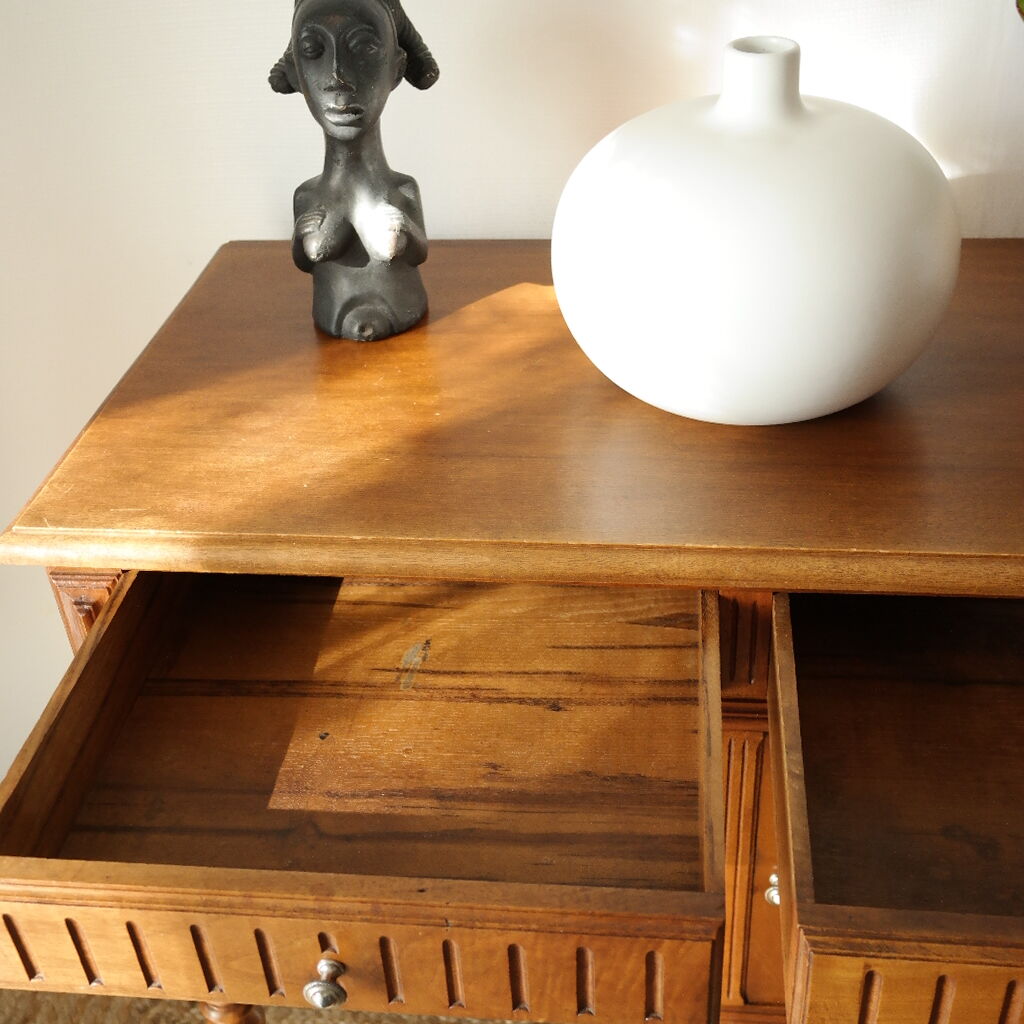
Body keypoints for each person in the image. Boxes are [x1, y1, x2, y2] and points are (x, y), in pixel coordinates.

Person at [274, 0, 437, 340]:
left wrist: (406, 227)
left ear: (396, 67)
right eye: (312, 49)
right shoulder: (306, 195)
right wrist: (299, 240)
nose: (337, 78)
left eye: (363, 47)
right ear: (295, 73)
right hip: (331, 314)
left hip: (404, 310)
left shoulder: (403, 189)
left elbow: (420, 251)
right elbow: (303, 262)